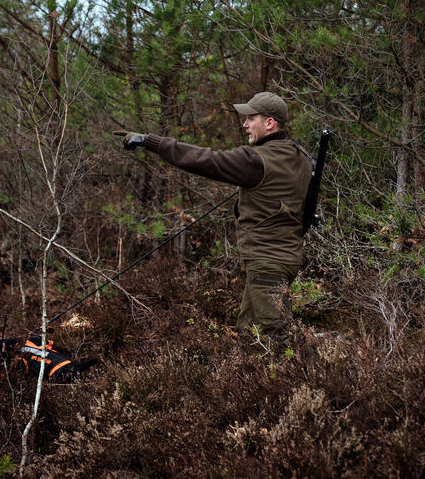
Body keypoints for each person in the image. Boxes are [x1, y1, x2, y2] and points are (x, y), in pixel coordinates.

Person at [114, 92, 312, 348]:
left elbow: (205, 159)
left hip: (267, 263)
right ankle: (257, 382)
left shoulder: (256, 160)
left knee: (275, 339)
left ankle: (317, 379)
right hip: (285, 259)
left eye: (251, 118)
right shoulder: (300, 156)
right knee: (251, 333)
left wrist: (151, 142)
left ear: (269, 123)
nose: (245, 124)